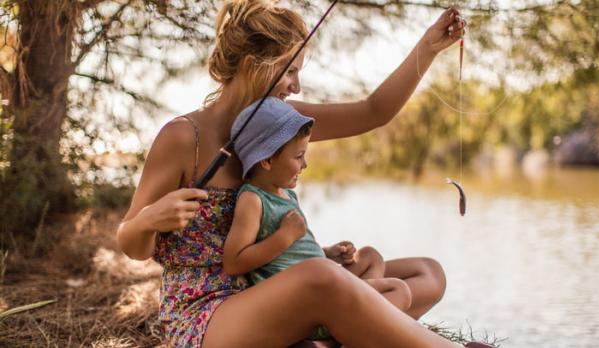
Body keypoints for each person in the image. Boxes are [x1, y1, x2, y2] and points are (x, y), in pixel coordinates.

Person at [116, 1, 485, 347]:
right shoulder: (183, 137)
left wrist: (429, 47)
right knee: (322, 278)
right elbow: (132, 243)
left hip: (279, 279)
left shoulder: (283, 123)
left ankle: (325, 334)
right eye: (289, 70)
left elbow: (373, 111)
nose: (296, 85)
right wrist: (151, 219)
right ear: (251, 65)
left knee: (427, 274)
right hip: (211, 314)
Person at [222, 98, 412, 341]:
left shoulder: (286, 194)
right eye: (298, 156)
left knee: (372, 256)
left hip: (322, 289)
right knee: (399, 291)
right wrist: (284, 236)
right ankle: (362, 330)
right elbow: (234, 262)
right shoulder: (252, 199)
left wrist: (327, 252)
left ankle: (357, 325)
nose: (305, 164)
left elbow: (294, 253)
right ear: (267, 161)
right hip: (302, 305)